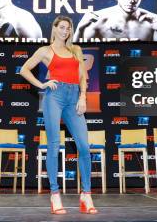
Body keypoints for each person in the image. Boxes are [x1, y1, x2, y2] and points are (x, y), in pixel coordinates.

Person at [19, 16, 97, 215]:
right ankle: (55, 195)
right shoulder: (45, 51)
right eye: (61, 27)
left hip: (74, 98)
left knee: (84, 146)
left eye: (68, 28)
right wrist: (42, 84)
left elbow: (82, 76)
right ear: (54, 29)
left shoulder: (76, 50)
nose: (65, 31)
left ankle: (86, 195)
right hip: (54, 96)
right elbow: (24, 70)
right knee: (54, 144)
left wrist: (83, 97)